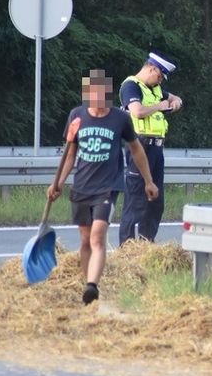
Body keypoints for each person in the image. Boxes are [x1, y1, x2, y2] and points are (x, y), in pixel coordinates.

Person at [48, 70, 158, 305]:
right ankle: (87, 290)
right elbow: (69, 154)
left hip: (107, 188)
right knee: (85, 239)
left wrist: (148, 180)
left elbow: (136, 149)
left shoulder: (120, 118)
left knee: (98, 236)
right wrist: (57, 183)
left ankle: (92, 285)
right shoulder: (76, 117)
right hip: (81, 187)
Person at [118, 51, 182, 245]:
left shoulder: (154, 89)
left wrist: (176, 102)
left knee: (155, 201)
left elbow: (174, 97)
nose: (160, 81)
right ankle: (127, 246)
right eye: (160, 76)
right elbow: (137, 111)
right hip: (140, 146)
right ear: (151, 68)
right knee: (136, 199)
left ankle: (146, 243)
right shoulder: (131, 86)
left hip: (156, 148)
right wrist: (160, 106)